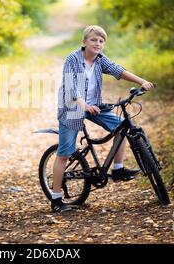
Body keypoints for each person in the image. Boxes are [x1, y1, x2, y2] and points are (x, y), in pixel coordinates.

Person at [51, 25, 155, 213]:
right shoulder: (72, 59)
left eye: (101, 41)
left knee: (122, 127)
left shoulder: (100, 60)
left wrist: (141, 81)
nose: (97, 44)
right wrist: (83, 105)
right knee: (65, 153)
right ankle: (56, 199)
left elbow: (118, 70)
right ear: (84, 42)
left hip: (93, 105)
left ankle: (117, 169)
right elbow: (71, 86)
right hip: (72, 107)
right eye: (93, 40)